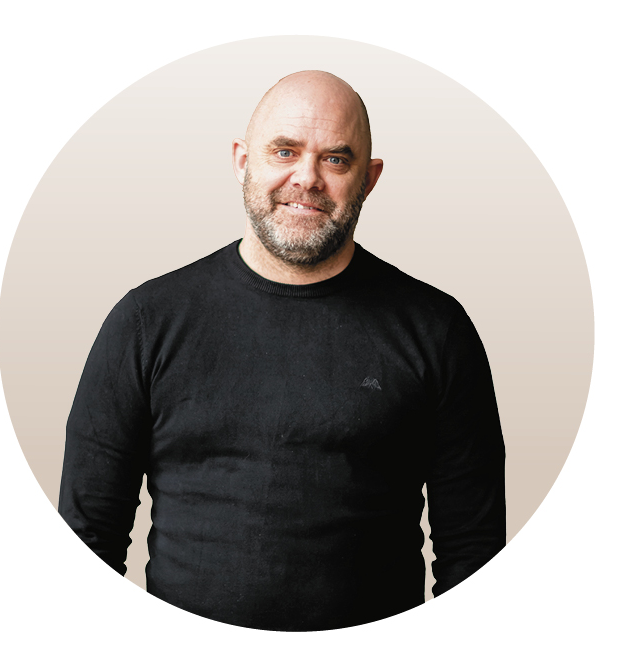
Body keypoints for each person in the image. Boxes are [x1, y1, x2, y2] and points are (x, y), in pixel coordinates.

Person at [59, 71, 506, 632]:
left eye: (336, 159)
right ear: (242, 160)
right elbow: (85, 542)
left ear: (370, 179)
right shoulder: (146, 322)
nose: (307, 177)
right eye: (285, 151)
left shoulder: (437, 331)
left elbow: (474, 557)